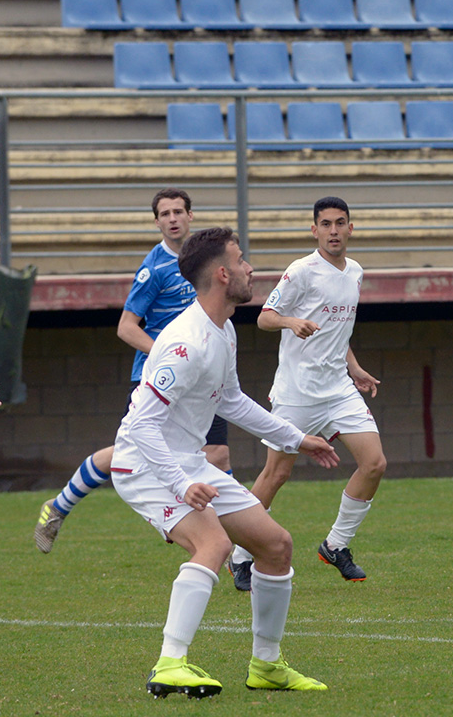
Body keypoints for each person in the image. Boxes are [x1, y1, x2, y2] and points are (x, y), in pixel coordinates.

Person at [111, 226, 339, 699]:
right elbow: (140, 428)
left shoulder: (225, 328)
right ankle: (170, 663)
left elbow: (231, 401)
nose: (250, 268)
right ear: (221, 274)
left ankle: (267, 667)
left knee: (276, 546)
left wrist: (297, 439)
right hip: (145, 464)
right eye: (241, 260)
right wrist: (180, 483)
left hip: (183, 461)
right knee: (212, 543)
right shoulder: (184, 343)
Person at [34, 189, 232, 554]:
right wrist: (170, 354)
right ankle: (58, 506)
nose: (172, 218)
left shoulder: (202, 261)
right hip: (160, 376)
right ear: (156, 222)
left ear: (191, 216)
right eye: (165, 213)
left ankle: (233, 548)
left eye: (178, 211)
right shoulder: (153, 269)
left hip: (199, 377)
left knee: (217, 453)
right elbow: (126, 327)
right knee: (125, 455)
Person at [227, 196, 385, 591]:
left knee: (375, 464)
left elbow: (338, 330)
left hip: (338, 390)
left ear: (352, 228)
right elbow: (264, 317)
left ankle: (336, 545)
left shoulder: (356, 272)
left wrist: (355, 368)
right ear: (314, 230)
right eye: (326, 224)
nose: (334, 230)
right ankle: (241, 556)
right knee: (276, 474)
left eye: (340, 223)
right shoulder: (301, 271)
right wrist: (291, 321)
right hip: (296, 393)